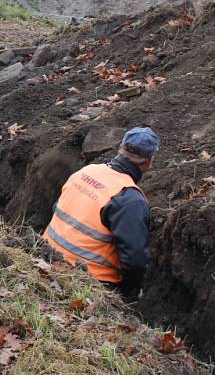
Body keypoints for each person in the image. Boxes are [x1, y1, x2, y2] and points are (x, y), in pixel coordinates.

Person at [43, 126, 160, 299]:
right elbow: (134, 261)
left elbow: (57, 208)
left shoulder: (87, 171)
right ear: (149, 161)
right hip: (88, 280)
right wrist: (129, 293)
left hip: (44, 255)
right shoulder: (129, 199)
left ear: (120, 147)